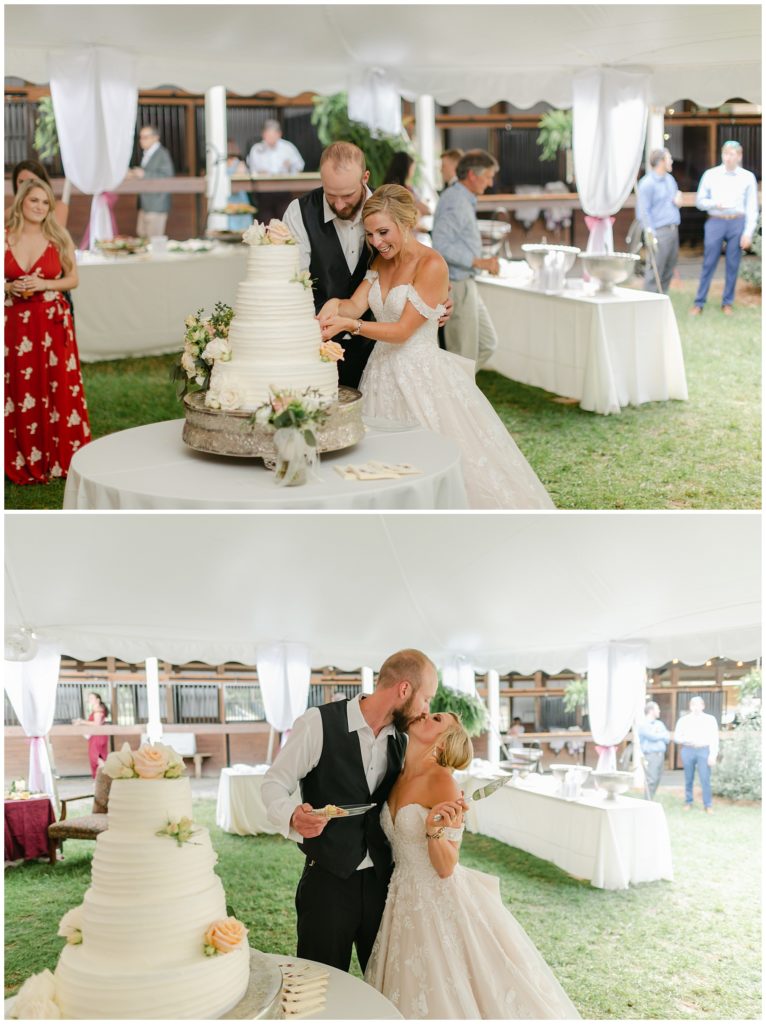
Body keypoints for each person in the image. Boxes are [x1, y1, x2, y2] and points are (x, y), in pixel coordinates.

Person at [318, 184, 554, 509]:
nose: (376, 242)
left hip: (422, 374)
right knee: (383, 464)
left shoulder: (432, 265)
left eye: (383, 232)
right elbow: (354, 306)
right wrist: (335, 306)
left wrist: (352, 326)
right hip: (381, 372)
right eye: (370, 234)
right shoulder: (380, 262)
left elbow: (402, 331)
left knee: (438, 457)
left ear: (408, 222)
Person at [365, 712, 581, 1019]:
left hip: (437, 899)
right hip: (401, 896)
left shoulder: (444, 784)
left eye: (437, 718)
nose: (426, 714)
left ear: (443, 740)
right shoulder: (397, 776)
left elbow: (446, 866)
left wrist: (433, 830)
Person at [261, 649, 439, 973]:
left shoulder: (402, 739)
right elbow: (273, 783)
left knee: (389, 983)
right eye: (426, 699)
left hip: (383, 886)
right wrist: (291, 815)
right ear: (404, 690)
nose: (427, 710)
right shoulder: (318, 723)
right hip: (327, 884)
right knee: (321, 984)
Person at [283, 142, 452, 389]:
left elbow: (417, 298)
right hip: (321, 346)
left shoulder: (387, 211)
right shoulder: (300, 213)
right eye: (331, 195)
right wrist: (330, 311)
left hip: (379, 352)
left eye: (348, 195)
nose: (339, 205)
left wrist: (437, 300)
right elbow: (296, 286)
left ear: (365, 177)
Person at [5, 177, 91, 484]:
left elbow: (73, 280)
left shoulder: (59, 237)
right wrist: (9, 285)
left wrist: (44, 284)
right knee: (18, 388)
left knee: (54, 387)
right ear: (22, 202)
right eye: (34, 200)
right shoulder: (5, 237)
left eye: (45, 202)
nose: (40, 207)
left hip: (51, 325)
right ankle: (20, 452)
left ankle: (56, 453)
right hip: (15, 327)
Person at [432, 150, 500, 371]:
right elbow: (441, 245)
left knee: (487, 344)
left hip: (466, 283)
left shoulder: (461, 198)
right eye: (488, 176)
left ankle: (457, 388)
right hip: (457, 285)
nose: (490, 183)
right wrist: (479, 262)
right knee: (462, 356)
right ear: (472, 174)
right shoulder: (456, 201)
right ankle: (455, 397)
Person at [690, 140, 759, 315]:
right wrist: (715, 204)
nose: (728, 158)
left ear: (739, 156)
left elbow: (752, 207)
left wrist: (748, 233)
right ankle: (699, 303)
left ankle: (727, 303)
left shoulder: (747, 177)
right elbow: (700, 201)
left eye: (732, 154)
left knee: (732, 264)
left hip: (737, 221)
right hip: (716, 220)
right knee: (709, 262)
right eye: (726, 154)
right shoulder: (711, 175)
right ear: (722, 155)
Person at [636, 148, 682, 293]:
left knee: (669, 268)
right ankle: (649, 304)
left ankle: (662, 300)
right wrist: (650, 234)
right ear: (661, 161)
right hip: (659, 232)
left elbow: (674, 200)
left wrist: (678, 200)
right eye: (669, 159)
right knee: (655, 270)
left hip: (673, 229)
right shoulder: (647, 183)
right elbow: (643, 212)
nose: (672, 161)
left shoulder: (670, 180)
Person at [127, 124, 174, 238]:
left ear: (155, 138)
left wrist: (144, 174)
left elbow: (167, 176)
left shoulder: (162, 154)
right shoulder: (149, 153)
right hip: (145, 204)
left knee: (154, 239)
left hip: (156, 204)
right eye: (141, 137)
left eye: (145, 137)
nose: (141, 140)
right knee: (142, 235)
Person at [673, 696, 719, 813]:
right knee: (688, 778)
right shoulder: (683, 720)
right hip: (688, 749)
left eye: (699, 705)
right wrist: (688, 740)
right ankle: (688, 801)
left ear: (703, 706)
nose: (696, 707)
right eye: (694, 705)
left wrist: (712, 755)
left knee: (705, 778)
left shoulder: (710, 719)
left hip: (704, 750)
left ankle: (708, 805)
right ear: (690, 706)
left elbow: (715, 738)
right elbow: (677, 737)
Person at [11, 160, 69, 227]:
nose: (25, 186)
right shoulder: (8, 213)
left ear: (43, 183)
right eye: (21, 182)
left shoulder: (59, 207)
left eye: (31, 181)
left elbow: (56, 234)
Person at [638, 701, 670, 799]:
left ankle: (649, 800)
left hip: (660, 755)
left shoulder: (659, 724)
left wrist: (658, 735)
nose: (659, 711)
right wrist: (661, 735)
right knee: (651, 780)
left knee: (657, 779)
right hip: (651, 755)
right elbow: (652, 737)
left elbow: (667, 738)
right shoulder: (643, 724)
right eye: (657, 709)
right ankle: (647, 802)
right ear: (651, 711)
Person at [74, 692, 109, 778]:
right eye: (89, 698)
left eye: (91, 698)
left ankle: (105, 774)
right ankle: (103, 776)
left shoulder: (98, 709)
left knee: (95, 756)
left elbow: (96, 724)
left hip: (98, 736)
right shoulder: (97, 709)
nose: (89, 700)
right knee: (98, 756)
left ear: (98, 700)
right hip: (98, 735)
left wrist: (82, 722)